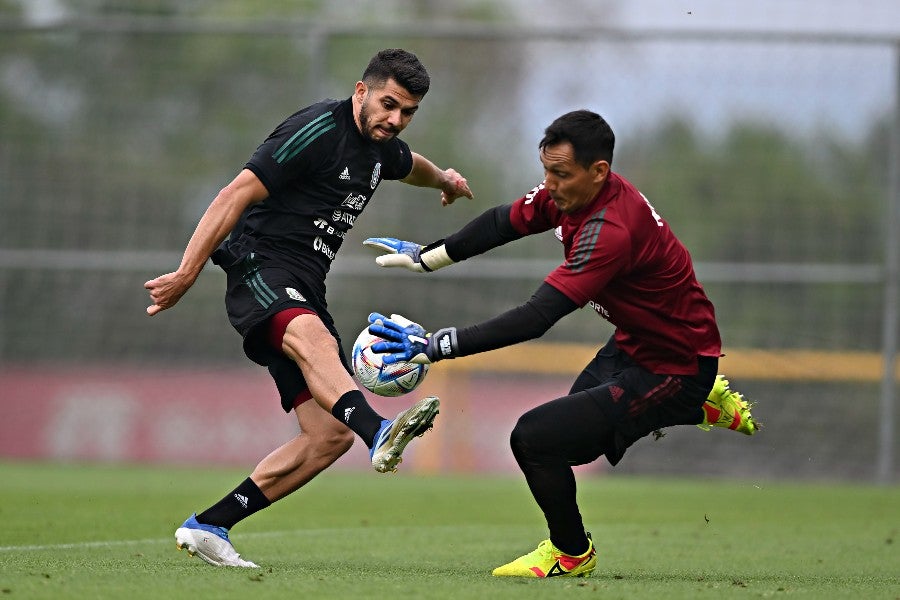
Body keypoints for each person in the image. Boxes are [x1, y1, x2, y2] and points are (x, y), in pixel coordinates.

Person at [362, 109, 758, 578]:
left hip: (675, 367)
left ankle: (572, 553)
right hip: (639, 344)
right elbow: (501, 222)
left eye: (560, 174)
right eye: (545, 170)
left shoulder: (609, 231)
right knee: (565, 447)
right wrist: (428, 257)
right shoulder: (575, 195)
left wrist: (434, 346)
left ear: (599, 172)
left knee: (535, 439)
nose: (549, 184)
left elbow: (536, 317)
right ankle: (698, 406)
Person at [144, 48, 473, 568]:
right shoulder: (319, 128)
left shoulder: (383, 148)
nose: (395, 119)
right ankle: (381, 431)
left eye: (407, 112)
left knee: (327, 436)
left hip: (305, 283)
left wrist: (448, 182)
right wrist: (187, 272)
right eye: (388, 104)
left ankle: (209, 525)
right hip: (260, 265)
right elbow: (234, 193)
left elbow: (415, 167)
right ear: (361, 91)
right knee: (312, 338)